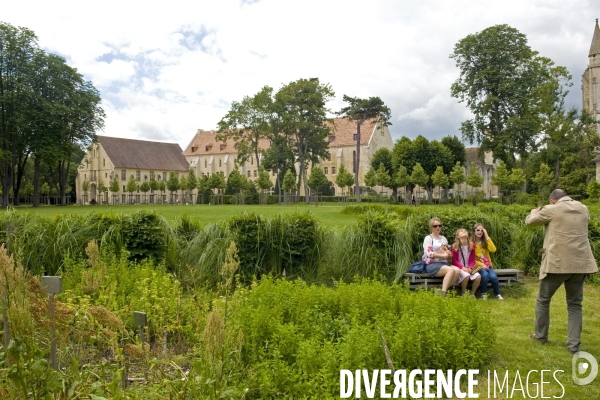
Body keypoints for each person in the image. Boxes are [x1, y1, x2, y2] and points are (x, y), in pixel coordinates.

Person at [525, 189, 598, 354]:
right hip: (580, 265)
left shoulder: (552, 209)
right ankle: (573, 346)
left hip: (557, 264)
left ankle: (541, 336)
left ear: (552, 200)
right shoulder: (583, 208)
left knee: (543, 300)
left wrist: (534, 212)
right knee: (575, 305)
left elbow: (530, 222)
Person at [422, 217, 461, 297]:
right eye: (435, 226)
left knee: (457, 270)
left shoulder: (443, 238)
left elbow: (446, 250)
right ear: (431, 227)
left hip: (443, 263)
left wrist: (448, 253)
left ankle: (441, 290)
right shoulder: (428, 238)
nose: (438, 227)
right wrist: (443, 255)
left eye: (439, 225)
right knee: (450, 270)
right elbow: (429, 253)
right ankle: (443, 294)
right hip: (432, 264)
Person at [472, 224, 503, 300]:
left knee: (493, 277)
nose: (480, 232)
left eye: (482, 230)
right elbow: (471, 259)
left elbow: (493, 250)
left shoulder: (485, 241)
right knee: (485, 275)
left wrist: (487, 236)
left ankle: (497, 294)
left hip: (487, 265)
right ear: (474, 232)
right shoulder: (471, 243)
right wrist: (481, 265)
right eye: (478, 230)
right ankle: (484, 294)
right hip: (477, 265)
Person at [451, 228, 481, 298]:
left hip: (469, 267)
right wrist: (463, 267)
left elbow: (472, 259)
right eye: (461, 231)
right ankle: (463, 293)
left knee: (478, 277)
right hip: (460, 267)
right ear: (458, 236)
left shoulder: (472, 245)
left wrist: (470, 267)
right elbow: (454, 261)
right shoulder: (455, 246)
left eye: (465, 231)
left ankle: (472, 294)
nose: (464, 232)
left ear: (467, 235)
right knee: (466, 276)